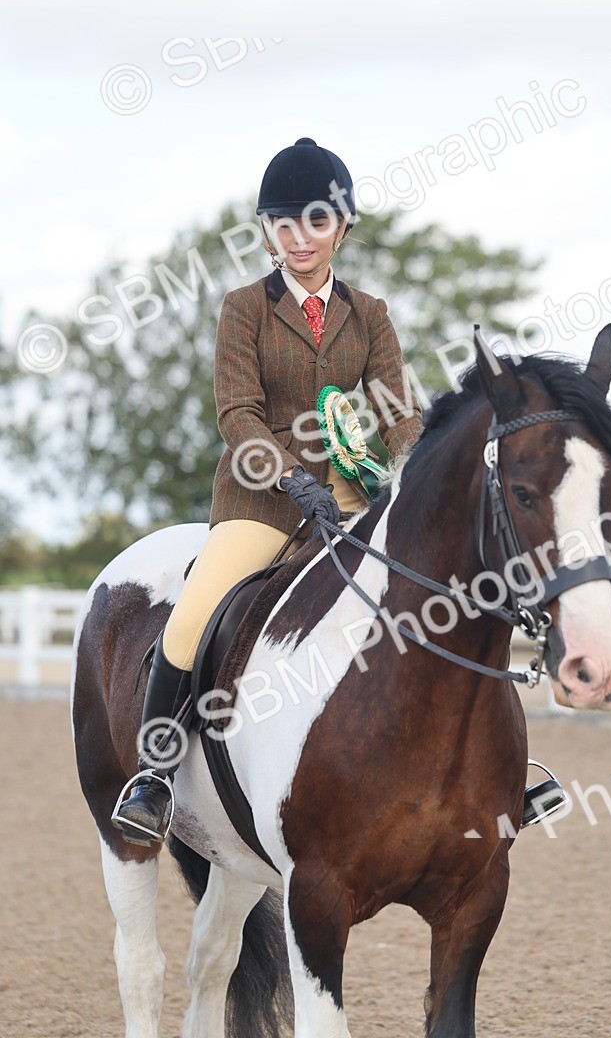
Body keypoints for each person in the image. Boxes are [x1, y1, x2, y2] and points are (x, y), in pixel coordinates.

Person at [113, 137, 424, 846]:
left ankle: (495, 764)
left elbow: (397, 409)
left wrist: (422, 462)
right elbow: (237, 414)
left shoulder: (369, 312)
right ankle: (155, 777)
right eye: (282, 224)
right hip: (260, 501)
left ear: (342, 226)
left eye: (314, 223)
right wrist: (289, 476)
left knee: (436, 586)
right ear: (265, 230)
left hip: (350, 496)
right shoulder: (244, 307)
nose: (298, 239)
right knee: (190, 620)